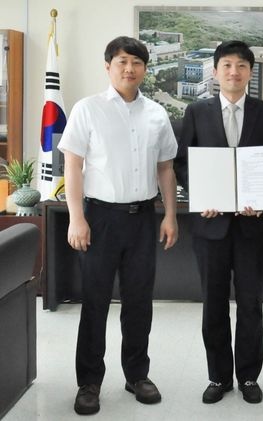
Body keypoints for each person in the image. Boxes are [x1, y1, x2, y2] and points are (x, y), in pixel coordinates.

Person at [59, 36, 178, 415]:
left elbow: (165, 169)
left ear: (145, 69)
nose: (130, 69)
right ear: (108, 66)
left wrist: (170, 215)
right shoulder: (88, 109)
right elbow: (73, 165)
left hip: (143, 219)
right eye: (122, 61)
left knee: (139, 302)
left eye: (137, 63)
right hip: (100, 219)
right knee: (95, 302)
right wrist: (76, 218)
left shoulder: (157, 113)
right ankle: (89, 382)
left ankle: (137, 375)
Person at [174, 41, 263, 405]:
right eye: (227, 65)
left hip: (253, 227)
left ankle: (249, 376)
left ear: (250, 72)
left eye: (241, 66)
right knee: (214, 303)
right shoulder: (196, 111)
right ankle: (218, 376)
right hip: (211, 226)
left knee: (251, 303)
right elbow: (182, 163)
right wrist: (201, 195)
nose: (234, 72)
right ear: (216, 71)